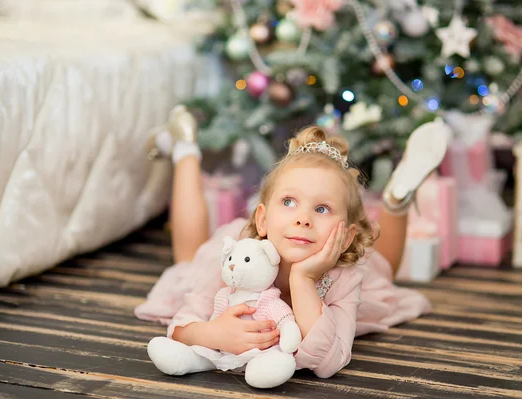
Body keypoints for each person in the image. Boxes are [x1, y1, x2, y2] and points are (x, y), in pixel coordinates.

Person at [135, 105, 448, 380]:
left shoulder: (344, 276)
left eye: (322, 208)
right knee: (187, 262)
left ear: (346, 235)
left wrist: (303, 279)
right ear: (262, 219)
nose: (303, 219)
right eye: (288, 201)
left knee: (383, 275)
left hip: (339, 265)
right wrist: (212, 333)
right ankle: (186, 147)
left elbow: (329, 362)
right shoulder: (236, 256)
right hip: (234, 249)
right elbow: (183, 323)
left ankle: (396, 202)